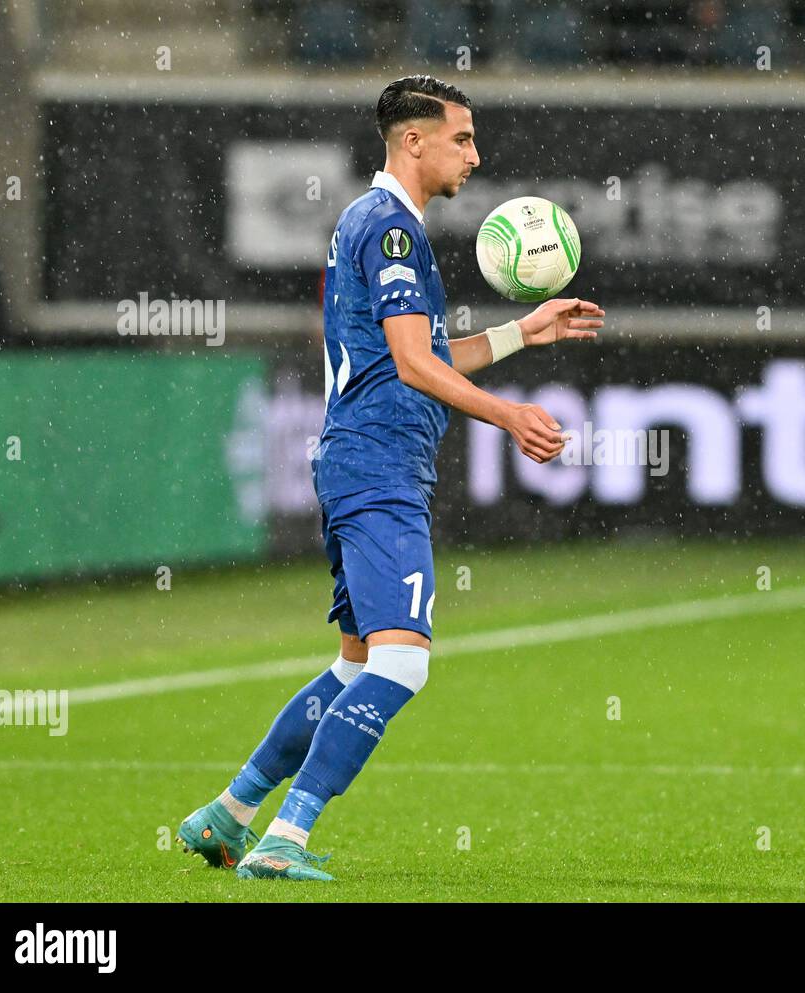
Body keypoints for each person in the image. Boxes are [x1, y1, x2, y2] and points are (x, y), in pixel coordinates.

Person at [176, 74, 604, 881]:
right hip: (376, 464)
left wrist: (523, 331)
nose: (474, 156)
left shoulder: (376, 223)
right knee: (402, 661)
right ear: (414, 140)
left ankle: (228, 813)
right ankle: (283, 839)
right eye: (462, 138)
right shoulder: (392, 231)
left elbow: (419, 354)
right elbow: (414, 365)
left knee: (352, 665)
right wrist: (509, 416)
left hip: (360, 460)